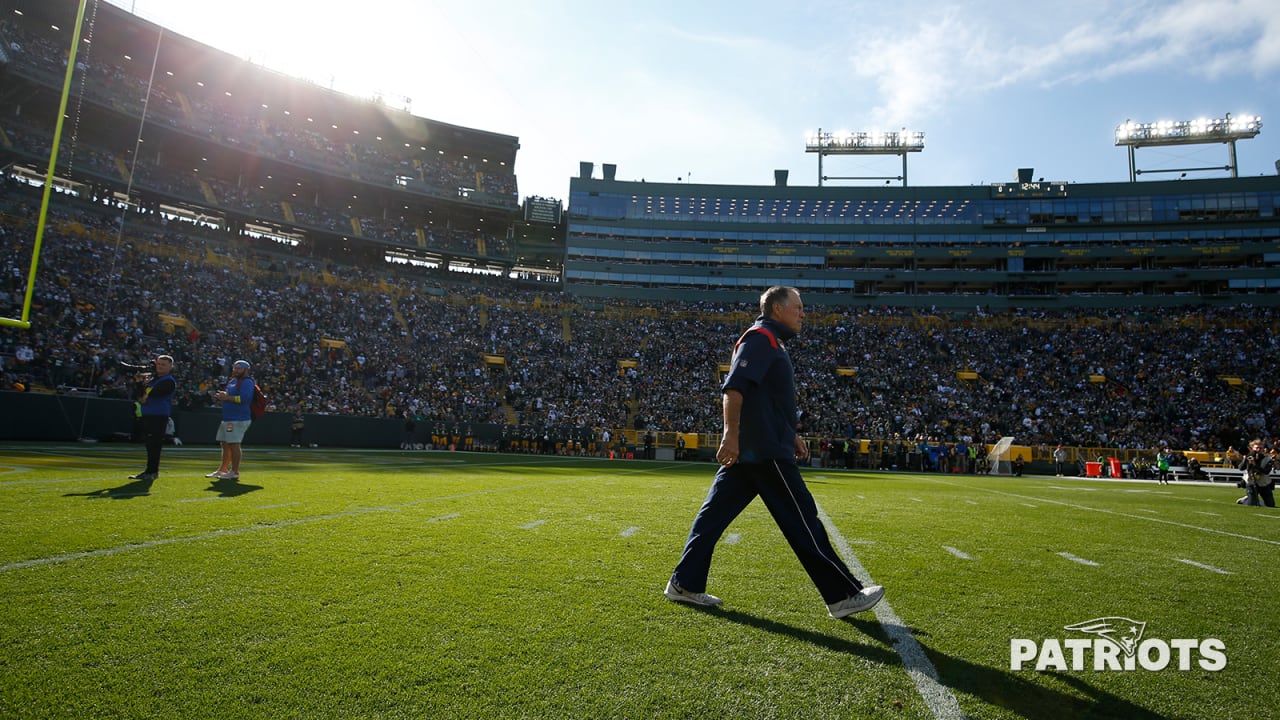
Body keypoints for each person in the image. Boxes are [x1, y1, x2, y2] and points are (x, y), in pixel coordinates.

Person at [664, 286, 884, 618]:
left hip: (758, 449)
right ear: (777, 309)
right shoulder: (760, 338)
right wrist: (730, 435)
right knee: (803, 521)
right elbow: (734, 388)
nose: (803, 313)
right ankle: (842, 595)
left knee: (711, 520)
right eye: (798, 307)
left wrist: (791, 434)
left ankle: (684, 584)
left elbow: (768, 399)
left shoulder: (771, 341)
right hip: (764, 452)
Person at [129, 354, 176, 480]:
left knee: (154, 444)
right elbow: (139, 395)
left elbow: (152, 394)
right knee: (149, 444)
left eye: (163, 364)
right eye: (158, 364)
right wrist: (140, 383)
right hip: (148, 413)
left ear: (170, 366)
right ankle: (149, 471)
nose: (159, 367)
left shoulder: (168, 380)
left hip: (158, 415)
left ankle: (152, 472)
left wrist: (142, 387)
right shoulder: (153, 380)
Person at [207, 359, 254, 481]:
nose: (236, 370)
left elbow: (245, 399)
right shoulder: (233, 381)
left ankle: (234, 471)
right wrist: (223, 396)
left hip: (238, 418)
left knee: (234, 444)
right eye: (235, 368)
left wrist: (227, 397)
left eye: (239, 368)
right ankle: (223, 469)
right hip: (229, 418)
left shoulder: (247, 382)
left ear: (246, 370)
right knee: (225, 443)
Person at [1241, 438, 1275, 507]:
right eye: (1256, 448)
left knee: (1271, 505)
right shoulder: (1249, 457)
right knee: (1252, 505)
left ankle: (1258, 501)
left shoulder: (1267, 459)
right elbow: (1241, 468)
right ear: (1252, 448)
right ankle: (1246, 500)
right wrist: (1245, 459)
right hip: (1251, 482)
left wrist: (1255, 465)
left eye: (1260, 448)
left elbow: (1266, 471)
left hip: (1263, 483)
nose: (1258, 450)